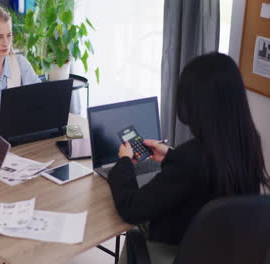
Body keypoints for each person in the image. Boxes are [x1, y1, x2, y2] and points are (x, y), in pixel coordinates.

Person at [108, 53, 270, 264]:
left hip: (178, 251)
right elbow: (206, 171)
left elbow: (131, 208)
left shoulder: (190, 159)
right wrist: (171, 155)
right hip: (224, 250)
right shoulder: (247, 141)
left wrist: (124, 162)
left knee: (136, 233)